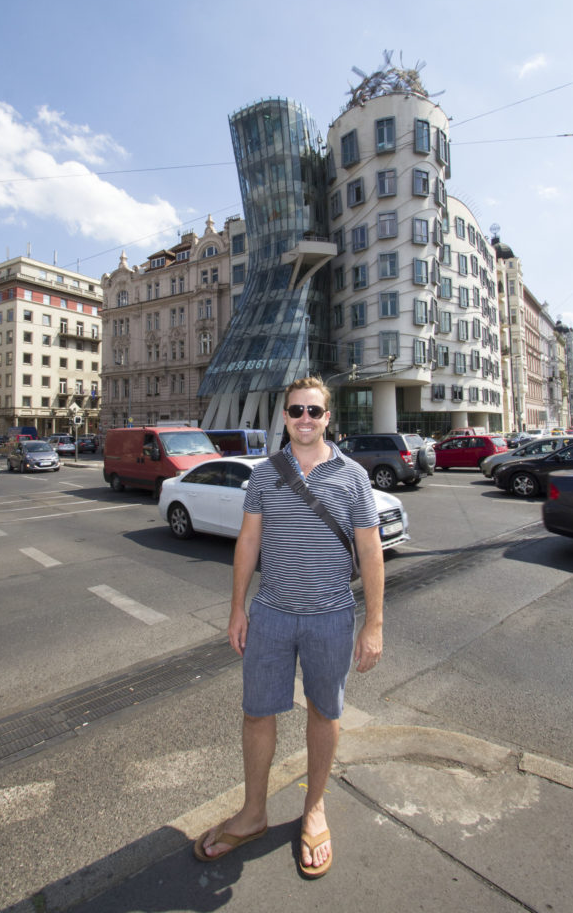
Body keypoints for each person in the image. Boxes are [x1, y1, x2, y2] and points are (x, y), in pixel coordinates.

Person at [194, 376, 384, 877]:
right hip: (273, 614)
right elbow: (247, 544)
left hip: (331, 616)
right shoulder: (264, 475)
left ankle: (314, 807)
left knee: (324, 713)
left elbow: (370, 552)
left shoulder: (353, 477)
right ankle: (254, 813)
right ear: (283, 417)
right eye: (296, 411)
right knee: (257, 714)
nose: (305, 419)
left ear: (328, 418)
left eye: (314, 412)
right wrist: (237, 609)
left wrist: (374, 624)